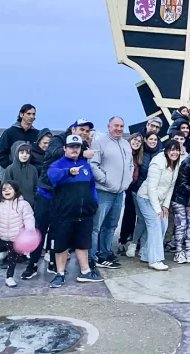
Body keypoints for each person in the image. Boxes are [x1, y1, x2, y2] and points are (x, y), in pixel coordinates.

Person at [23, 119, 96, 280]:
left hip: (63, 198)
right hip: (47, 193)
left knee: (57, 232)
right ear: (73, 128)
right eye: (81, 129)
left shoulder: (82, 145)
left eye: (86, 131)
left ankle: (52, 262)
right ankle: (32, 264)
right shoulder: (58, 140)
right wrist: (82, 152)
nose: (84, 133)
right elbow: (54, 153)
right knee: (39, 230)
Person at [47, 135, 104, 287]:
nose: (74, 149)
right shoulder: (57, 165)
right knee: (61, 246)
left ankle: (85, 272)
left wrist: (94, 203)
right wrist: (68, 172)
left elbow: (92, 186)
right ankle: (60, 274)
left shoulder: (85, 166)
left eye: (77, 147)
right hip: (63, 215)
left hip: (84, 214)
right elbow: (52, 177)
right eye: (71, 147)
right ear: (65, 148)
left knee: (83, 244)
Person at [89, 116, 133, 270]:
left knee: (111, 226)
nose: (119, 129)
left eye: (121, 126)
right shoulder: (100, 142)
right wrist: (105, 180)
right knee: (96, 226)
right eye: (116, 126)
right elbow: (93, 165)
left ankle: (105, 253)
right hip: (104, 192)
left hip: (119, 193)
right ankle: (92, 257)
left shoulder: (126, 144)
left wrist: (126, 181)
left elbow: (130, 165)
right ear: (109, 126)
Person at [136, 139, 181, 271]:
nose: (175, 152)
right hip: (145, 198)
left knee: (163, 224)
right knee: (156, 223)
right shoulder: (157, 163)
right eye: (172, 149)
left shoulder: (176, 164)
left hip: (160, 201)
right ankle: (155, 260)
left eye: (177, 149)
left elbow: (170, 186)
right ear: (166, 150)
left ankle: (146, 254)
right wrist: (157, 210)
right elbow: (151, 189)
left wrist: (165, 206)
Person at [0, 181, 35, 287]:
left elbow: (28, 217)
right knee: (1, 249)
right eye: (4, 189)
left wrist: (30, 230)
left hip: (16, 238)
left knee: (12, 259)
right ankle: (2, 252)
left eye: (9, 188)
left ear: (16, 190)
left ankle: (9, 277)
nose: (6, 191)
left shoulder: (23, 204)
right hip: (2, 236)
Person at [118, 133, 143, 255]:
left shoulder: (138, 156)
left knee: (133, 214)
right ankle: (123, 240)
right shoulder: (124, 152)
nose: (136, 142)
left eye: (139, 141)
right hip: (124, 186)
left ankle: (128, 239)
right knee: (128, 214)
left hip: (133, 187)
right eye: (134, 139)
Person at [0, 104, 40, 171]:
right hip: (10, 175)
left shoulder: (37, 134)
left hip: (29, 175)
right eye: (28, 114)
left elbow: (39, 156)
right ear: (21, 114)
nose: (31, 116)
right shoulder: (9, 133)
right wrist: (14, 168)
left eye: (33, 114)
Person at [1, 141, 38, 208]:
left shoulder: (33, 169)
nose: (25, 155)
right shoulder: (10, 169)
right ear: (16, 154)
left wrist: (34, 200)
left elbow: (35, 187)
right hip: (13, 206)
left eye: (27, 153)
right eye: (22, 153)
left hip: (30, 206)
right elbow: (5, 187)